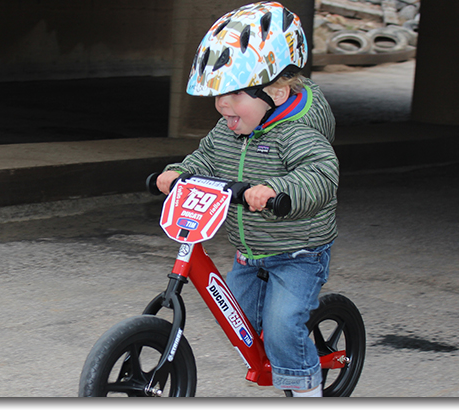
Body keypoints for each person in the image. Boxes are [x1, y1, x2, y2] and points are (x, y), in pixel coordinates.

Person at [155, 2, 338, 397]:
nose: (223, 105)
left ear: (277, 92)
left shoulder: (297, 134)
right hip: (249, 252)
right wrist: (178, 173)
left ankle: (307, 391)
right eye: (219, 95)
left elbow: (320, 173)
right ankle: (277, 354)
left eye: (235, 93)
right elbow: (205, 158)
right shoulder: (228, 129)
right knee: (234, 316)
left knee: (282, 326)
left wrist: (276, 191)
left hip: (297, 253)